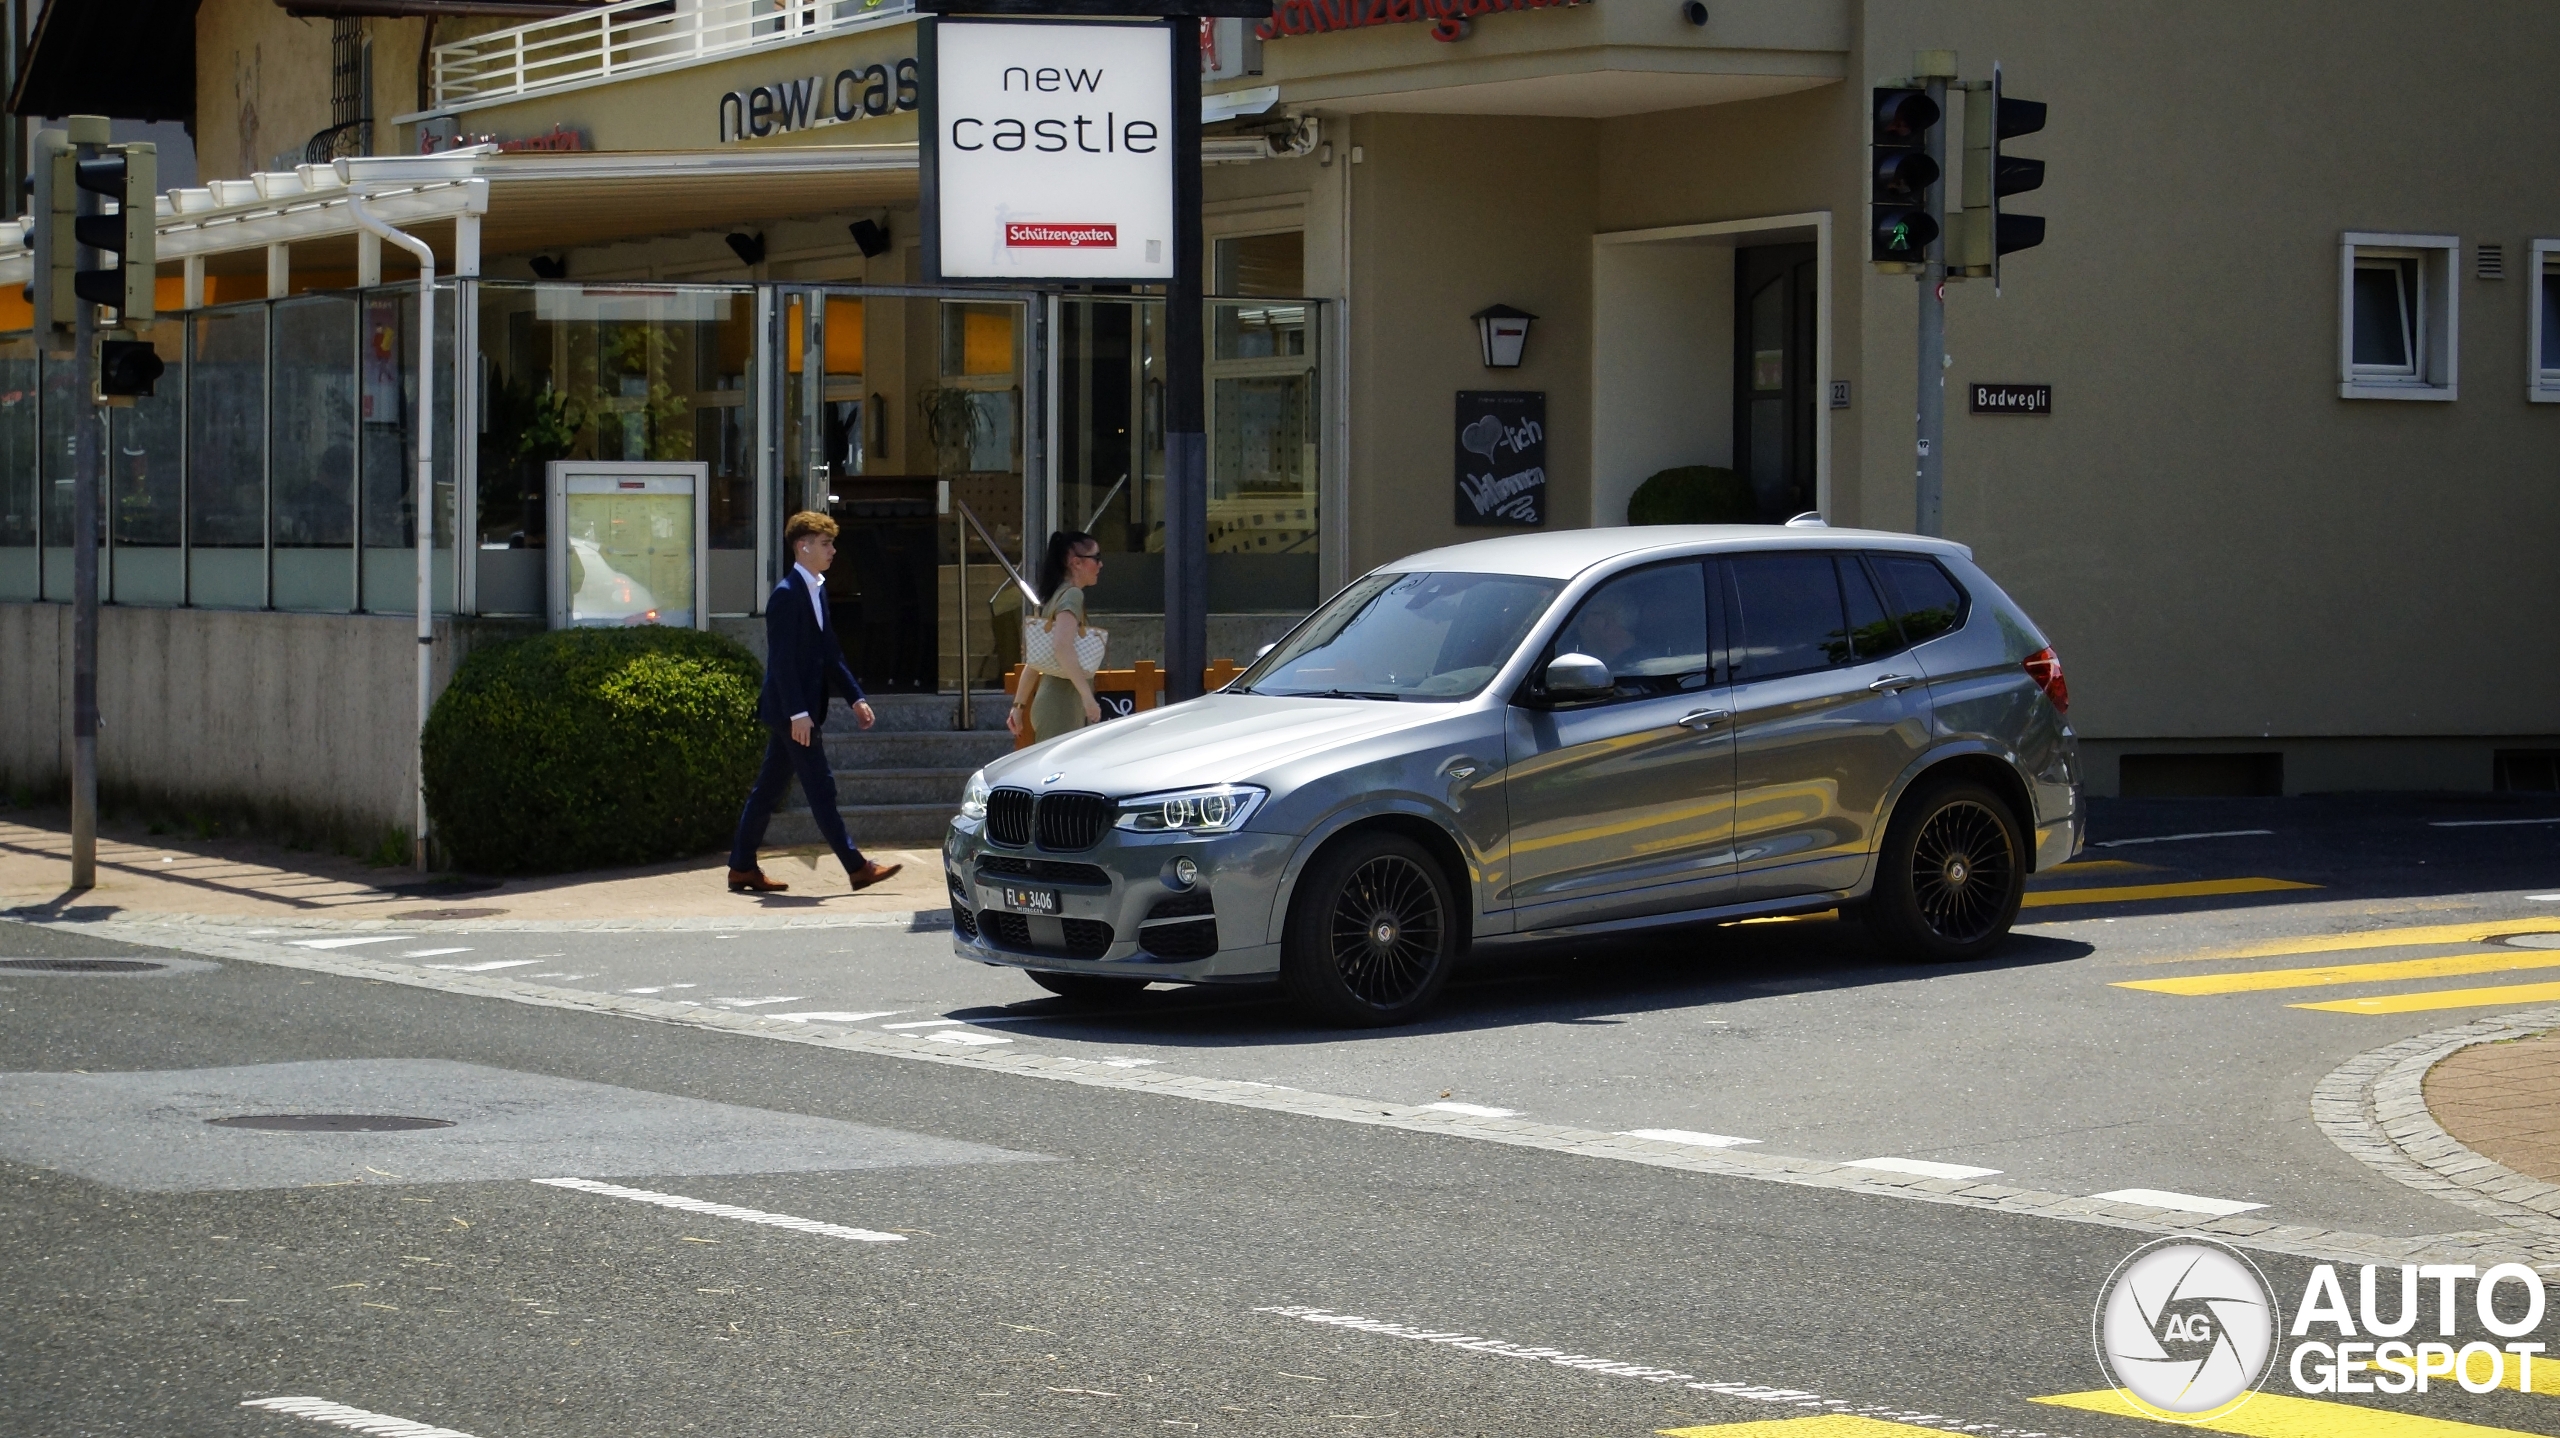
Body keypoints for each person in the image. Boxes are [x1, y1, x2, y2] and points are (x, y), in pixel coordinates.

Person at [726, 511, 904, 895]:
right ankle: (857, 867)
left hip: (798, 710)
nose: (833, 551)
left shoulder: (818, 588)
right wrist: (799, 714)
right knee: (820, 788)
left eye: (832, 544)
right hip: (793, 712)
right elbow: (782, 663)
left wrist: (855, 696)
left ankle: (741, 866)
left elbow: (830, 652)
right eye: (826, 544)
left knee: (768, 790)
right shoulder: (786, 596)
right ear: (802, 547)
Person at [1008, 530, 1105, 745]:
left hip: (1052, 702)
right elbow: (1062, 647)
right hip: (1062, 705)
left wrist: (1019, 706)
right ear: (1076, 563)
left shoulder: (1057, 595)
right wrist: (1088, 699)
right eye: (1096, 558)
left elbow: (1035, 660)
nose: (1100, 565)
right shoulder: (1072, 595)